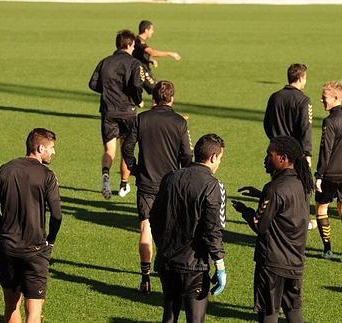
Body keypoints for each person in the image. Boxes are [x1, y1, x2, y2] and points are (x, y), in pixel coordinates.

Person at [0, 128, 62, 323]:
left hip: (8, 247)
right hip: (36, 250)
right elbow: (57, 215)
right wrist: (50, 240)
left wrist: (5, 229)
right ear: (40, 147)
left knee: (11, 306)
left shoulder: (4, 169)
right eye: (51, 148)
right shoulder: (47, 175)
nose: (53, 153)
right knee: (34, 311)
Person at [232, 136, 313, 323]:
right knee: (294, 312)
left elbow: (259, 226)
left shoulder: (274, 188)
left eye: (270, 155)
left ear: (282, 158)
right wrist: (260, 195)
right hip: (295, 262)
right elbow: (286, 208)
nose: (266, 159)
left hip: (272, 264)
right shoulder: (302, 184)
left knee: (269, 313)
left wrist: (246, 211)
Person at [122, 80, 193, 294]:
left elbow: (127, 148)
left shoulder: (141, 119)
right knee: (170, 231)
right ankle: (169, 274)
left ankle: (145, 278)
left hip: (146, 183)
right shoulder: (180, 122)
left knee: (146, 228)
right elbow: (188, 155)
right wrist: (182, 174)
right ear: (172, 98)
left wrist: (135, 169)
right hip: (171, 185)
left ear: (154, 98)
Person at [151, 134, 227, 323]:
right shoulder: (212, 186)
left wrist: (162, 246)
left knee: (169, 315)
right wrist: (220, 265)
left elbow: (154, 217)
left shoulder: (170, 177)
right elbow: (213, 229)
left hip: (167, 261)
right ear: (212, 157)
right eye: (220, 159)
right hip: (195, 266)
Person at [89, 29, 146, 200]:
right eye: (133, 45)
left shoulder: (105, 62)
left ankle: (106, 177)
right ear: (128, 45)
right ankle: (123, 184)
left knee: (109, 150)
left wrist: (107, 91)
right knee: (126, 149)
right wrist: (137, 99)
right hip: (127, 112)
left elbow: (93, 84)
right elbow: (136, 85)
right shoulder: (134, 63)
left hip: (108, 110)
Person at [314, 82, 342, 262]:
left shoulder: (330, 121)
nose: (322, 100)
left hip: (330, 173)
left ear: (337, 98)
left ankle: (327, 250)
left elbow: (326, 150)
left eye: (325, 98)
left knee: (321, 208)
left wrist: (319, 174)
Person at [263, 63, 312, 167]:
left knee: (277, 181)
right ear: (300, 78)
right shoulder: (303, 100)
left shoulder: (274, 97)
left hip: (276, 153)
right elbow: (305, 127)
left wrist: (274, 140)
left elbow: (267, 123)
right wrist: (307, 153)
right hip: (294, 154)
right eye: (305, 78)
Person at [134, 20, 182, 95]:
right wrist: (170, 53)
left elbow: (137, 55)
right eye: (151, 29)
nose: (153, 31)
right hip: (141, 71)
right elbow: (153, 53)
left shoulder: (137, 40)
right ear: (146, 30)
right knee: (158, 92)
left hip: (139, 70)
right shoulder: (140, 42)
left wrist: (149, 60)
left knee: (156, 92)